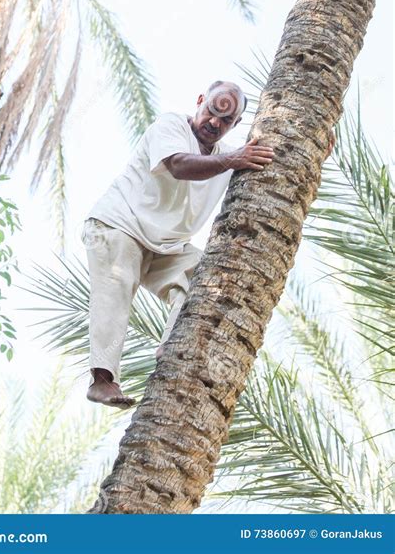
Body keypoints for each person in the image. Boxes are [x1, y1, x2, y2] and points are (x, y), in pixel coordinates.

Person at [80, 80, 275, 408]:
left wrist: (311, 149)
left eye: (226, 121)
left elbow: (268, 157)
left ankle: (170, 348)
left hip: (164, 247)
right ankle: (102, 380)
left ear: (236, 123)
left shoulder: (227, 156)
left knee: (203, 276)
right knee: (116, 287)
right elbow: (178, 165)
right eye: (212, 111)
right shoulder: (171, 125)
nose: (214, 122)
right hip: (119, 225)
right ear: (200, 101)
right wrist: (232, 160)